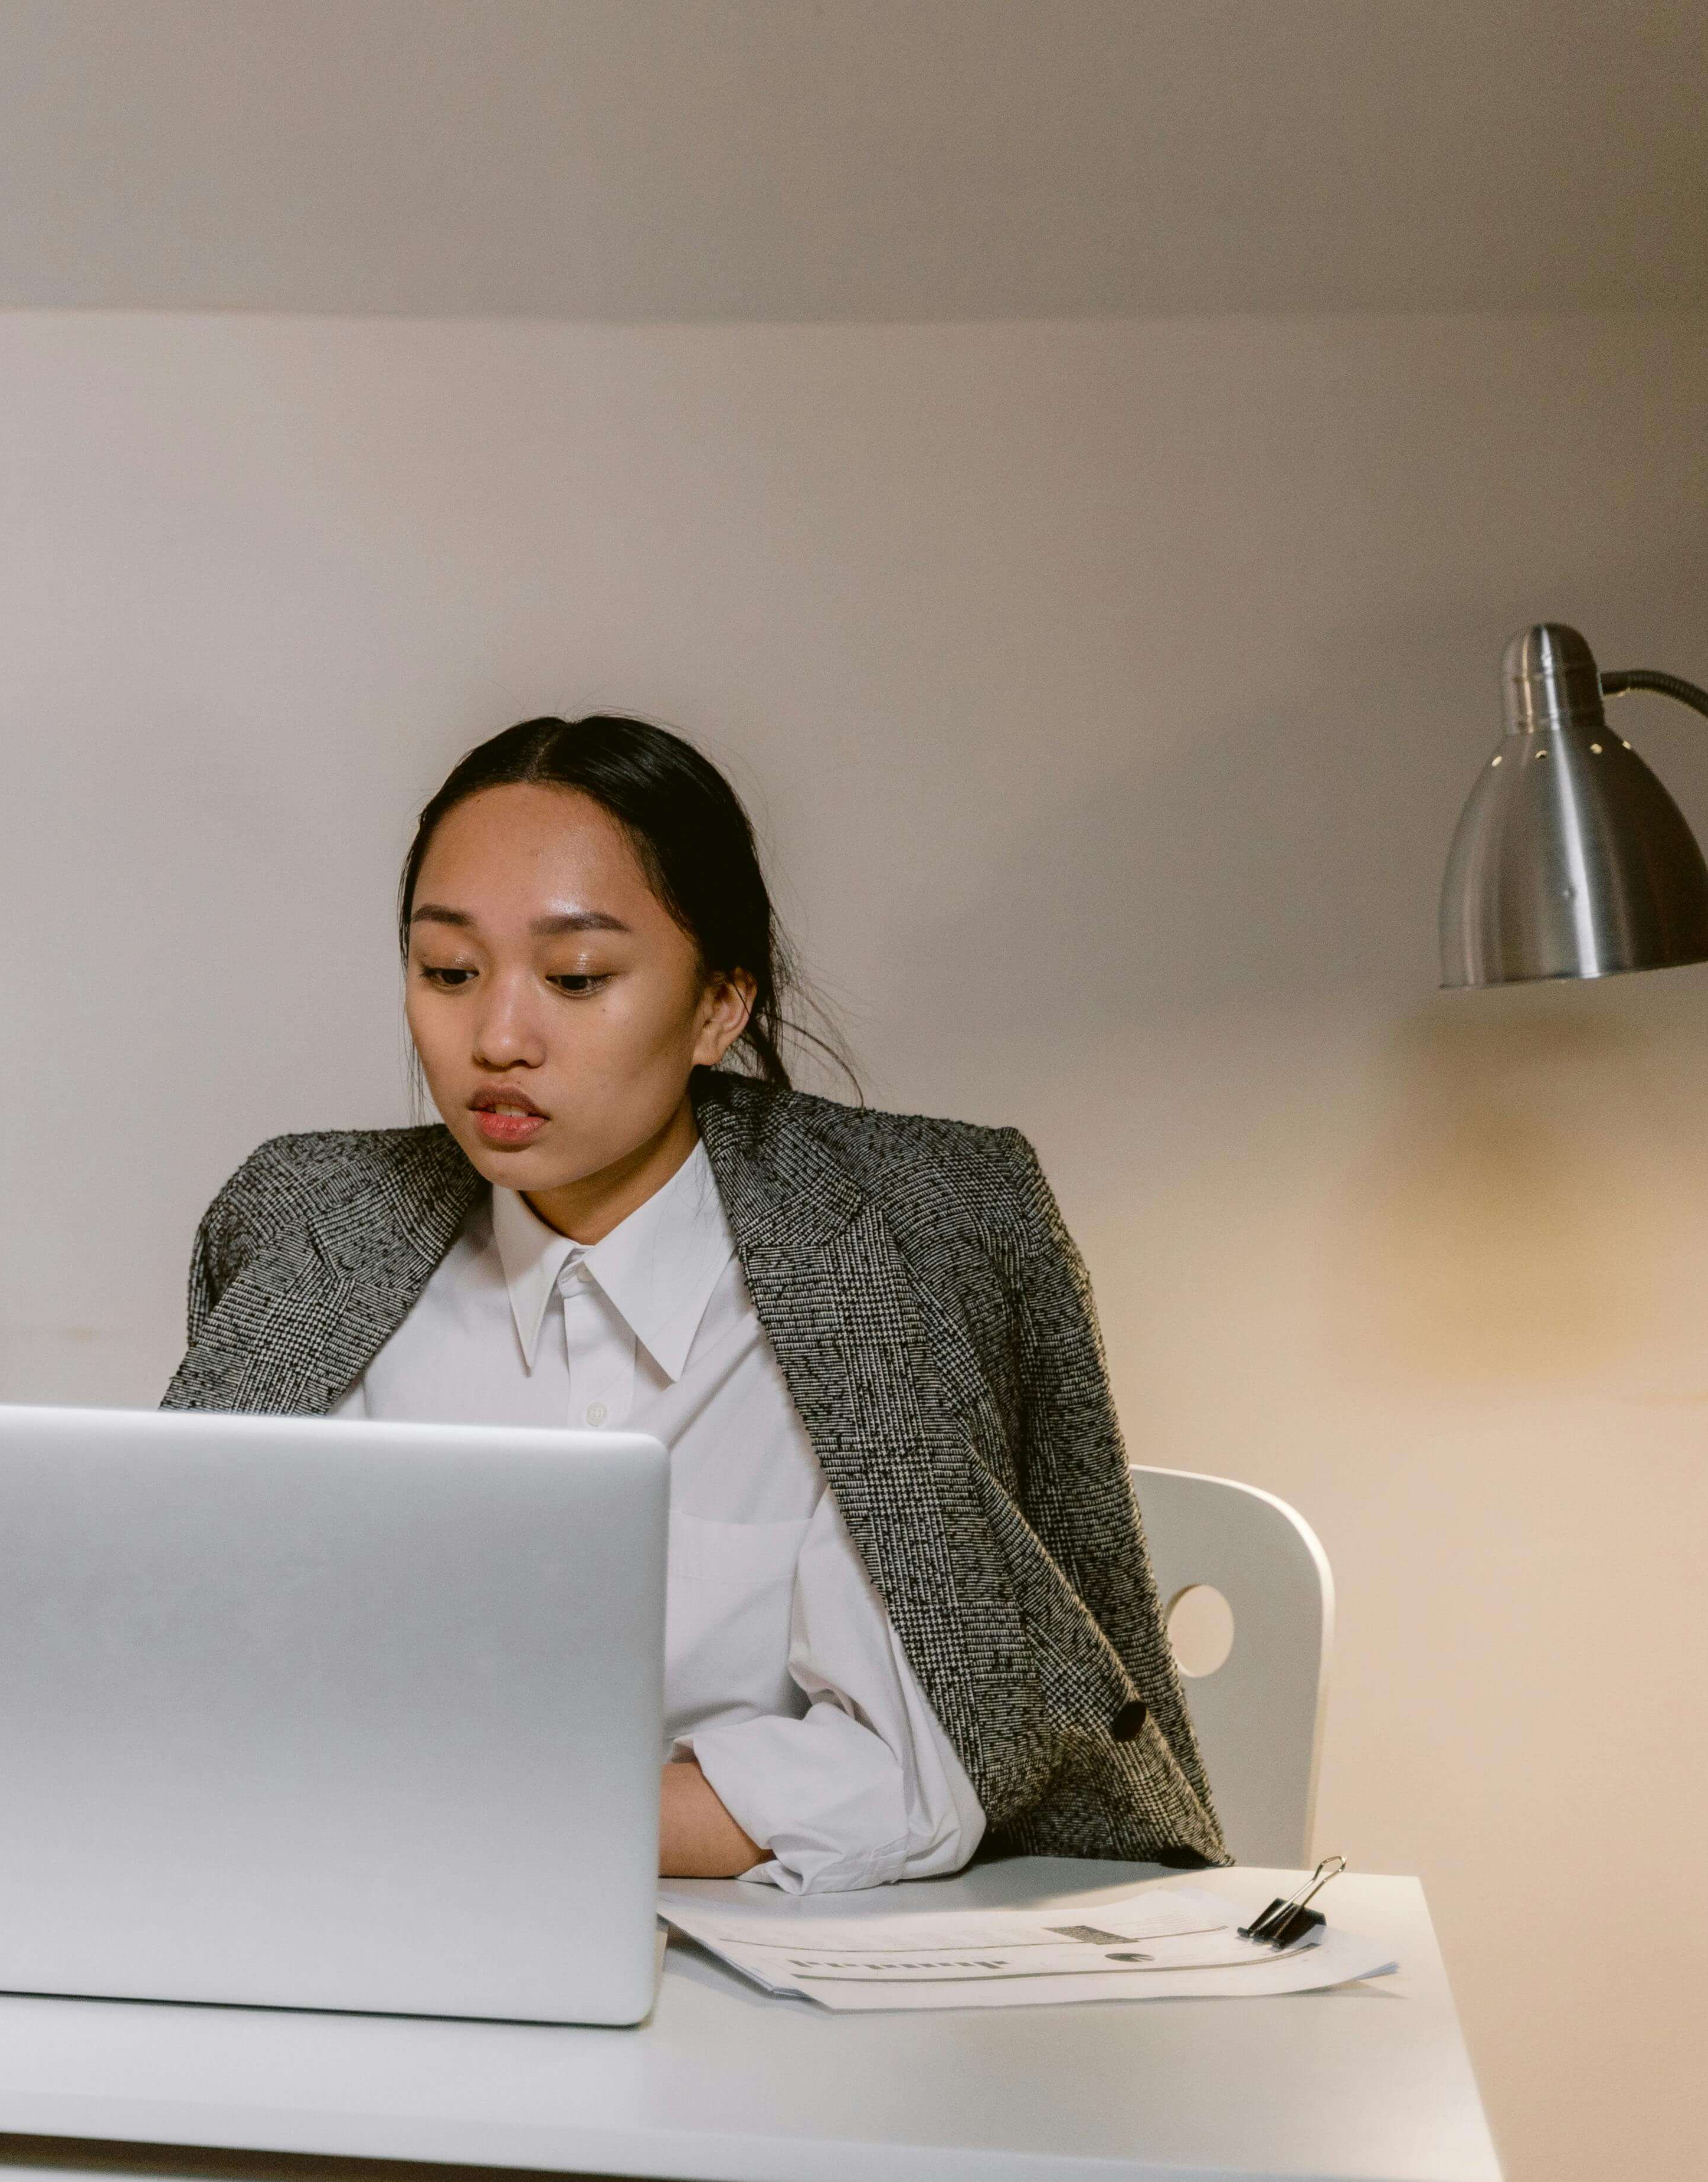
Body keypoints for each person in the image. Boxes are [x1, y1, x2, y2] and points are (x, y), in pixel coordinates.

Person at [163, 716, 1222, 1889]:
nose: (496, 1038)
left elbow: (919, 1761)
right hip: (351, 1928)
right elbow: (189, 1664)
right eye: (446, 972)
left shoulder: (898, 1245)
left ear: (718, 1003)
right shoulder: (302, 1230)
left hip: (786, 1982)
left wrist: (476, 1820)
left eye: (575, 978)